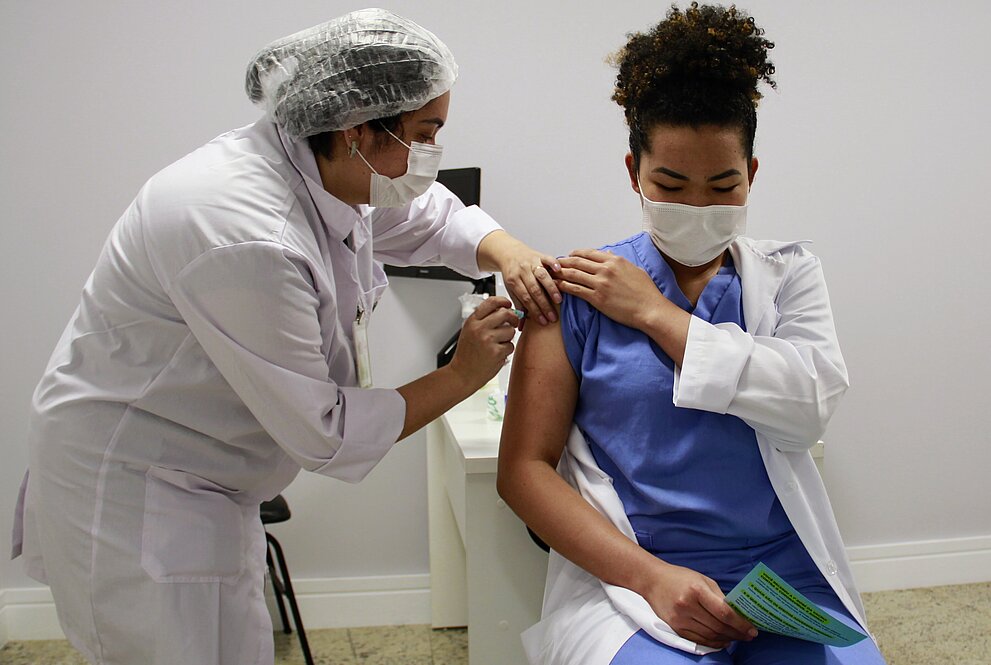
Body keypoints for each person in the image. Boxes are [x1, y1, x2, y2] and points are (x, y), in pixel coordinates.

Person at [11, 9, 562, 665]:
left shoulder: (320, 163)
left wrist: (511, 252)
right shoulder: (245, 230)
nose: (429, 155)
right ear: (357, 127)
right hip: (142, 490)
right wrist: (460, 375)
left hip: (208, 479)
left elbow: (418, 213)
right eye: (423, 134)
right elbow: (322, 431)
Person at [497, 4, 887, 664]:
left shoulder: (787, 275)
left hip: (781, 577)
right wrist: (650, 577)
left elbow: (808, 407)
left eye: (722, 184)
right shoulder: (576, 291)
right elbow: (523, 472)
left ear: (751, 176)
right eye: (671, 185)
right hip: (632, 579)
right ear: (633, 173)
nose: (698, 207)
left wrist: (655, 313)